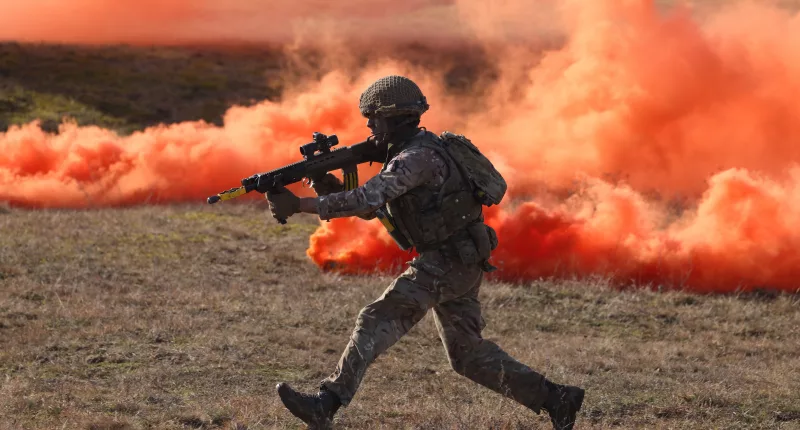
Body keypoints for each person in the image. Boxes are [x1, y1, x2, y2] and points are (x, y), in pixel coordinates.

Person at [265, 75, 585, 430]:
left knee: (375, 318)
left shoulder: (416, 159)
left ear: (396, 117)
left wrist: (299, 204)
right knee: (468, 356)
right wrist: (326, 184)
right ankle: (557, 400)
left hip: (446, 261)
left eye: (375, 117)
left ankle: (326, 403)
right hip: (461, 259)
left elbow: (367, 199)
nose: (369, 125)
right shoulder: (416, 150)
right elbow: (372, 207)